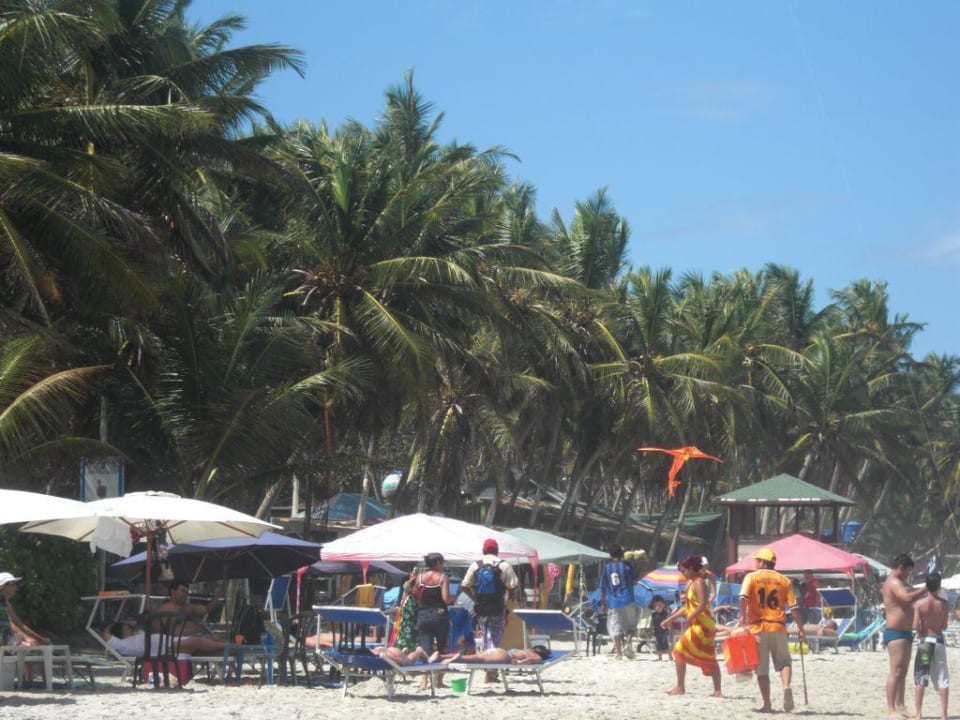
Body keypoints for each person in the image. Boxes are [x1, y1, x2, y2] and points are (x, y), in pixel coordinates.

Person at [739, 547, 803, 713]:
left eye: (757, 560)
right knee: (784, 662)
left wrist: (742, 617)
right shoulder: (784, 580)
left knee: (761, 669)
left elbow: (743, 598)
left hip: (757, 628)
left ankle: (767, 704)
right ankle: (786, 687)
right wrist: (801, 627)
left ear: (761, 562)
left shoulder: (751, 577)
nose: (755, 563)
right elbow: (794, 607)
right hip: (778, 627)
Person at [661, 555, 722, 697]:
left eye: (684, 571)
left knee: (679, 650)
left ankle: (681, 687)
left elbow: (702, 604)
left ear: (691, 568)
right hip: (699, 625)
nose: (683, 574)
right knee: (706, 656)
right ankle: (716, 690)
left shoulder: (699, 583)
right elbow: (686, 607)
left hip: (703, 626)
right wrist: (670, 619)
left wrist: (691, 616)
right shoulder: (693, 582)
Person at [461, 538, 519, 682]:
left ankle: (489, 669)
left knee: (486, 635)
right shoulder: (503, 565)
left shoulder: (475, 565)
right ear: (497, 551)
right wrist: (509, 596)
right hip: (497, 606)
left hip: (481, 607)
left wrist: (474, 597)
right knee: (495, 637)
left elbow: (464, 585)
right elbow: (513, 585)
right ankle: (491, 673)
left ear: (483, 551)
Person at [882, 553, 927, 718]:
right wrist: (925, 589)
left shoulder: (901, 582)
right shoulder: (893, 582)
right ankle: (890, 708)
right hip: (895, 632)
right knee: (896, 671)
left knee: (903, 671)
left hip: (906, 632)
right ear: (901, 568)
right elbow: (906, 598)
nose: (908, 574)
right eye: (908, 571)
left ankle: (900, 705)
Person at [912, 571, 950, 720]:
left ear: (926, 586)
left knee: (921, 677)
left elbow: (915, 625)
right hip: (939, 641)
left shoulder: (920, 604)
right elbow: (945, 626)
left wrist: (922, 630)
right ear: (939, 586)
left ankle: (919, 714)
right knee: (943, 678)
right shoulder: (944, 604)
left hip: (925, 643)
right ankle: (944, 714)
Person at [411, 552, 452, 688]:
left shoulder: (419, 578)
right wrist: (454, 599)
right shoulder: (443, 578)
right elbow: (446, 599)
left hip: (423, 616)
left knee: (426, 649)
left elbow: (416, 596)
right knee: (441, 648)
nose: (443, 565)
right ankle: (439, 681)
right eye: (442, 562)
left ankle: (424, 681)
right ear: (438, 563)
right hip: (439, 615)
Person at [101, 619, 230, 656]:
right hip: (165, 649)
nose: (129, 627)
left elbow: (136, 622)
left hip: (168, 643)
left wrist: (127, 623)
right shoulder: (121, 644)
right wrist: (115, 623)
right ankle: (232, 646)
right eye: (126, 628)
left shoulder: (136, 634)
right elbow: (105, 634)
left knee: (212, 638)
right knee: (197, 641)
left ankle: (236, 646)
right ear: (120, 632)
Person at [600, 544, 637, 660]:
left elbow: (603, 587)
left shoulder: (606, 568)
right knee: (631, 625)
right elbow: (634, 582)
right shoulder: (627, 566)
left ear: (610, 555)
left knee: (615, 627)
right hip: (628, 599)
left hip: (614, 601)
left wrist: (603, 603)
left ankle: (619, 653)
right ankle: (628, 644)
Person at [153, 578, 222, 636]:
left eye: (186, 592)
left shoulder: (189, 608)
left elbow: (207, 608)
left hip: (196, 637)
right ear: (173, 591)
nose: (185, 594)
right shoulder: (163, 610)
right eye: (183, 591)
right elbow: (160, 634)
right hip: (176, 644)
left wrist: (216, 596)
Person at [0, 572, 50, 646]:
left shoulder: (5, 603)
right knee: (28, 645)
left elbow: (18, 623)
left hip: (6, 638)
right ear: (4, 586)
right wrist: (27, 638)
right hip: (4, 639)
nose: (16, 587)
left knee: (32, 644)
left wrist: (39, 639)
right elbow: (13, 624)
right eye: (13, 584)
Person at [440, 645, 550, 665]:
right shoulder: (536, 656)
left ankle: (441, 656)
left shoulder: (527, 650)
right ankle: (458, 658)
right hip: (505, 656)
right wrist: (521, 662)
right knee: (478, 660)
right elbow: (532, 659)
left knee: (477, 656)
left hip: (498, 650)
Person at [649, 595, 671, 661]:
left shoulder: (665, 613)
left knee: (666, 645)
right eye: (656, 605)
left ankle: (670, 656)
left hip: (665, 631)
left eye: (659, 605)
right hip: (657, 632)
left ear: (663, 605)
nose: (658, 607)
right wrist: (650, 630)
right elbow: (651, 623)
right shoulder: (653, 614)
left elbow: (669, 621)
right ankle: (660, 657)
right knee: (658, 645)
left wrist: (670, 629)